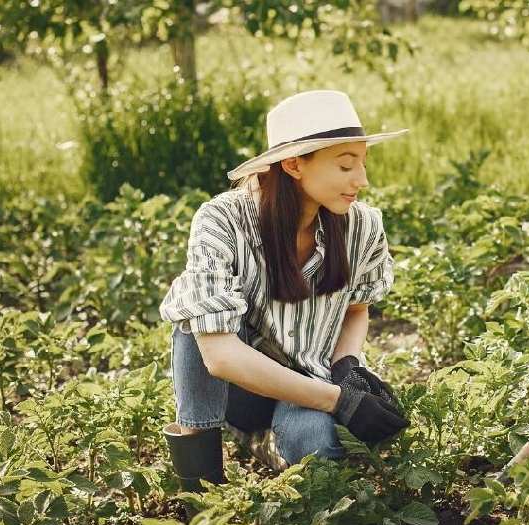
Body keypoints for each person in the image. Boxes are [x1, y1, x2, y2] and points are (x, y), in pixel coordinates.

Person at [158, 90, 410, 491]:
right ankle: (200, 487)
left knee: (317, 446)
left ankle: (266, 446)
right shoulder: (223, 220)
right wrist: (338, 401)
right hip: (238, 388)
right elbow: (220, 357)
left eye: (363, 163)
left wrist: (346, 368)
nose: (361, 180)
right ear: (294, 164)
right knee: (194, 321)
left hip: (309, 378)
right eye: (346, 165)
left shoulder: (362, 227)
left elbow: (356, 308)